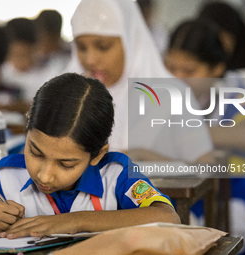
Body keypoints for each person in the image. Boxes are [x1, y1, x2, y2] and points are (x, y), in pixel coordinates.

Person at [0, 73, 180, 238]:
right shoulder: (6, 179)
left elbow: (167, 217)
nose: (44, 174)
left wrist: (73, 221)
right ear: (27, 129)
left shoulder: (116, 175)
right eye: (35, 151)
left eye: (66, 164)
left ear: (97, 155)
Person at [164, 18, 245, 255]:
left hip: (232, 200)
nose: (178, 78)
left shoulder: (237, 94)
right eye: (171, 68)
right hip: (180, 198)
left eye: (189, 71)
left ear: (217, 68)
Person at [66, 0, 215, 165]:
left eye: (103, 47)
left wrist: (146, 158)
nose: (90, 60)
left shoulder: (172, 96)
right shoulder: (69, 95)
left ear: (131, 42)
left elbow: (206, 168)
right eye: (81, 48)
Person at [0, 17, 46, 104]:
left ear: (38, 47)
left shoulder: (50, 71)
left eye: (30, 55)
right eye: (17, 56)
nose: (25, 62)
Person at [34, 10, 71, 77]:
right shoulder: (34, 60)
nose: (47, 44)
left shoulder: (71, 55)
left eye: (51, 40)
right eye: (44, 40)